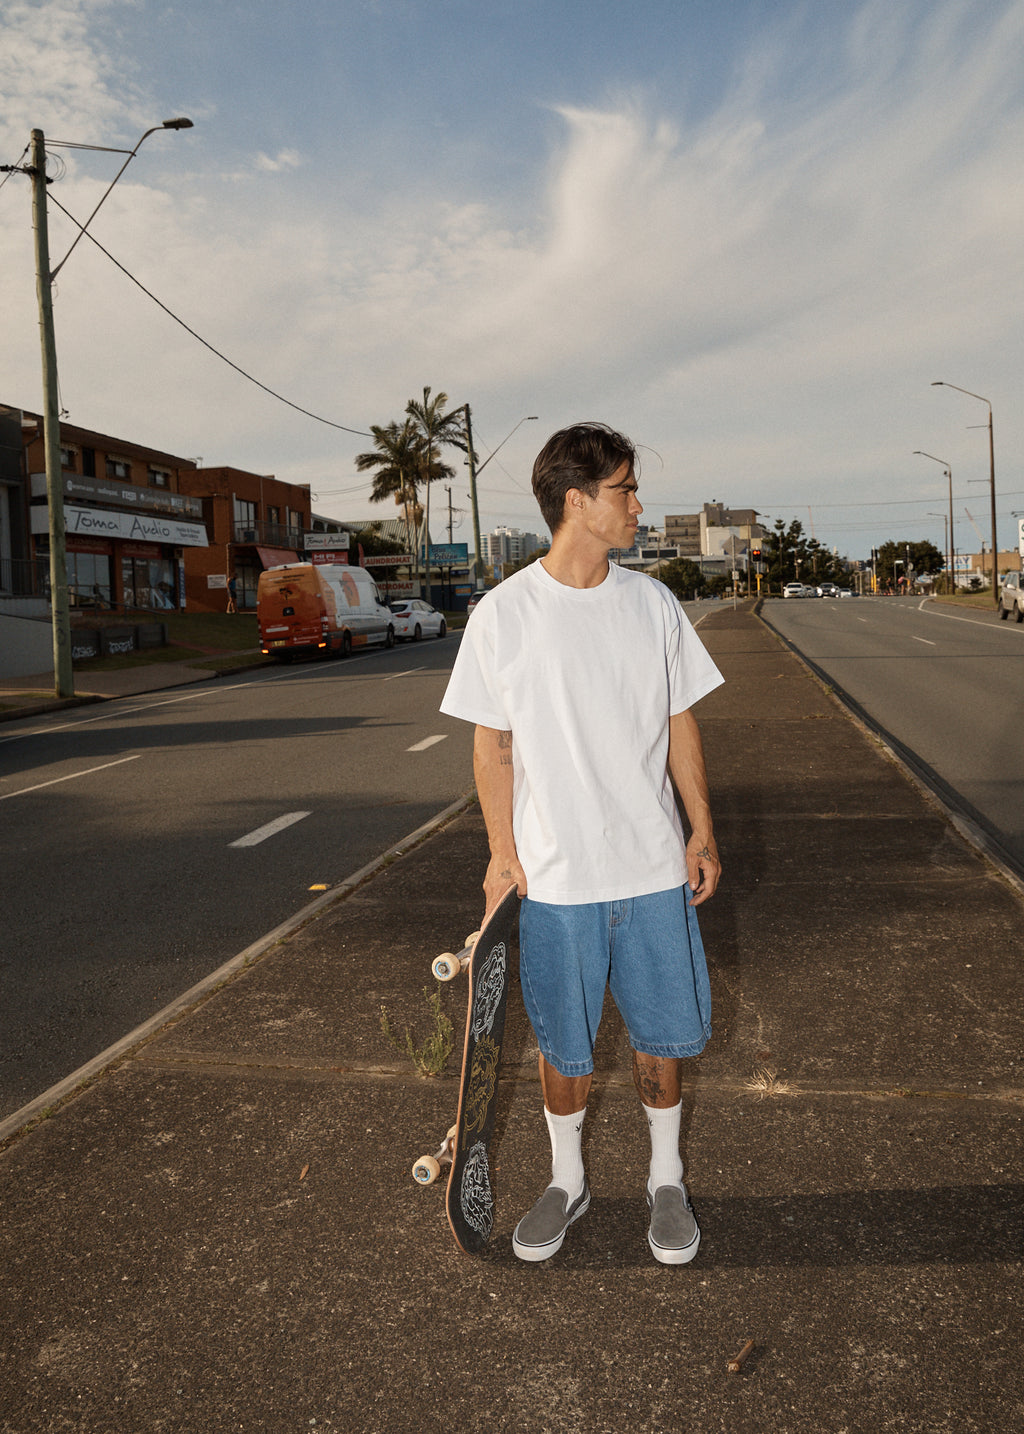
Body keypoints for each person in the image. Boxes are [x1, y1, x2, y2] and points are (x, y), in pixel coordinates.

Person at [440, 422, 724, 1265]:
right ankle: (568, 1180)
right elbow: (491, 747)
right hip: (557, 879)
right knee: (563, 1046)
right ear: (576, 500)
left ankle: (664, 1178)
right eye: (624, 489)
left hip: (649, 867)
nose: (637, 505)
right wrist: (501, 854)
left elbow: (680, 722)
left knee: (660, 1037)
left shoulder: (653, 605)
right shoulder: (503, 615)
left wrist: (701, 824)